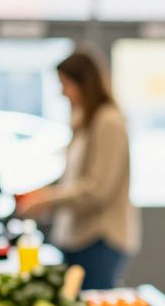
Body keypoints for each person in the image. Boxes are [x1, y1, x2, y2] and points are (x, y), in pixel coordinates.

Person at [19, 51, 138, 290]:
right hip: (75, 236)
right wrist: (41, 192)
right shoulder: (85, 119)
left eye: (65, 84)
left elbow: (98, 189)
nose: (62, 92)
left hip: (100, 237)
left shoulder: (108, 121)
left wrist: (48, 200)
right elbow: (73, 176)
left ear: (84, 83)